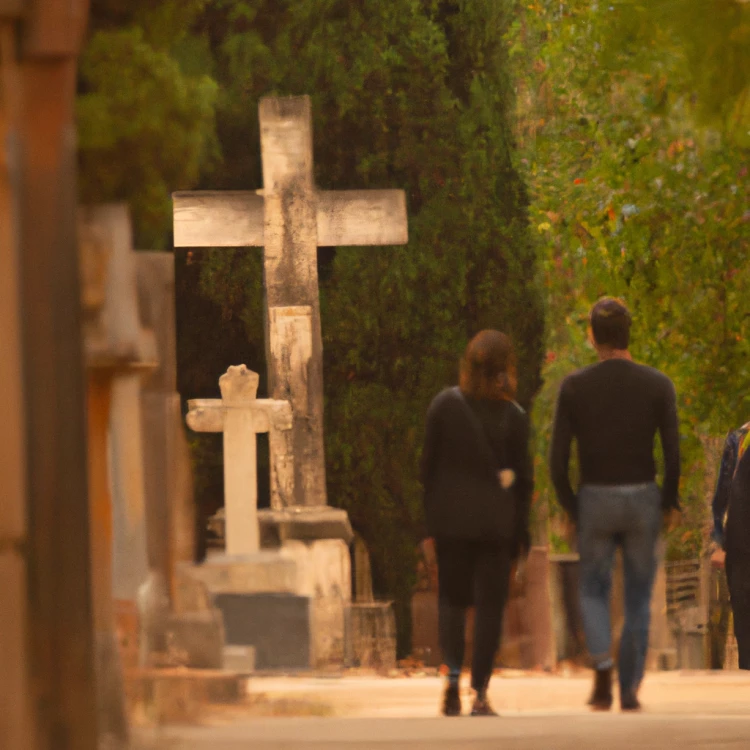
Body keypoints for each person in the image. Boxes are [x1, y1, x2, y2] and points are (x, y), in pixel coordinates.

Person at [549, 297, 680, 712]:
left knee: (592, 588)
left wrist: (572, 506)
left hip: (596, 498)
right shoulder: (658, 385)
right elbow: (673, 453)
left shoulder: (574, 387)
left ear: (592, 336)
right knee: (640, 595)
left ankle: (602, 667)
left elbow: (557, 460)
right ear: (629, 334)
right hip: (642, 495)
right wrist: (668, 500)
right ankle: (628, 688)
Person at [421, 330, 532, 717]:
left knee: (451, 602)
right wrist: (522, 537)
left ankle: (451, 682)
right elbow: (524, 482)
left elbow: (428, 471)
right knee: (489, 609)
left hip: (451, 524)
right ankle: (480, 693)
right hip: (495, 528)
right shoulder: (514, 418)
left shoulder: (443, 407)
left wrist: (428, 527)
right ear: (506, 370)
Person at [710, 422, 750, 668]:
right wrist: (719, 542)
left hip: (739, 537)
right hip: (739, 538)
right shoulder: (739, 439)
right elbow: (723, 495)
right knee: (743, 606)